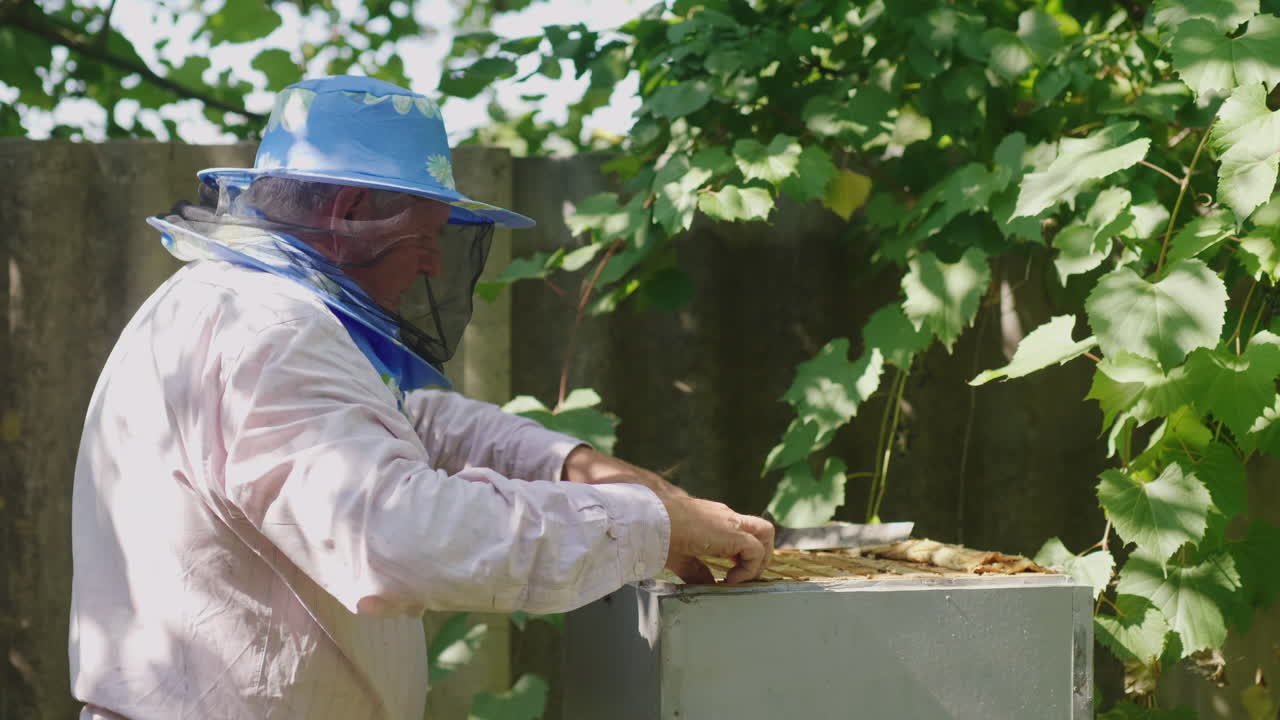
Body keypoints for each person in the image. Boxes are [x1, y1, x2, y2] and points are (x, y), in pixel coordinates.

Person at [68, 75, 773, 719]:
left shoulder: (230, 305)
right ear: (350, 212)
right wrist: (646, 524)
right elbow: (396, 534)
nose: (435, 262)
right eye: (427, 235)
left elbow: (409, 420)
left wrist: (584, 469)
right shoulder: (272, 332)